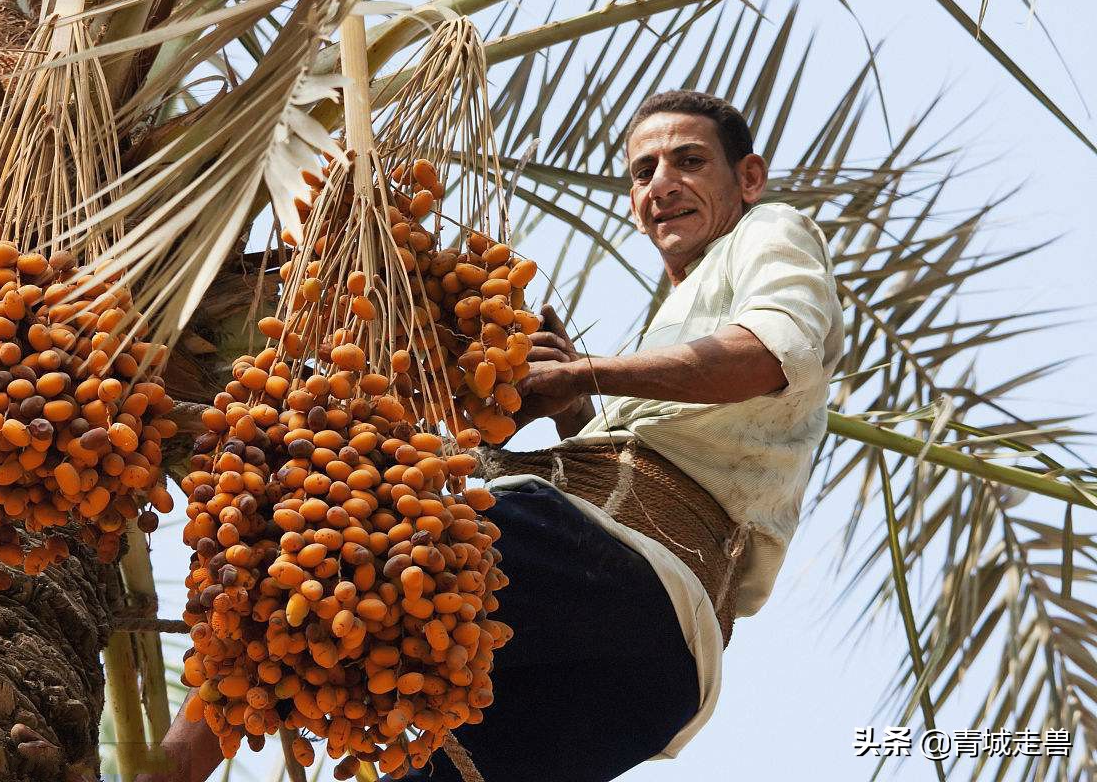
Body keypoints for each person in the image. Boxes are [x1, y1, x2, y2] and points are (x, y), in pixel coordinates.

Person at [136, 90, 844, 782]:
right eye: (643, 171)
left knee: (327, 549)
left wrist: (583, 374)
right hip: (656, 675)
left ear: (748, 177)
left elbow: (770, 354)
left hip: (628, 578)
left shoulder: (767, 231)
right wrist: (571, 407)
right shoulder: (681, 313)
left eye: (688, 162)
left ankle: (169, 769)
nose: (662, 184)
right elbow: (654, 452)